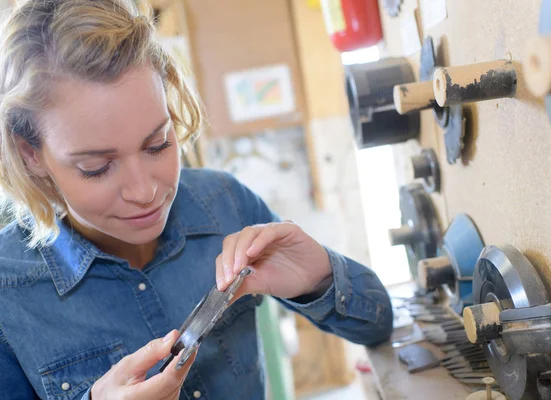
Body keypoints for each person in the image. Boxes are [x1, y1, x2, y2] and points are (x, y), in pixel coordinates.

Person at [0, 1, 393, 399]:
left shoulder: (225, 203)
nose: (145, 192)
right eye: (97, 167)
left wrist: (321, 279)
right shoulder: (6, 293)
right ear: (31, 154)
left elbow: (379, 325)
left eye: (157, 144)